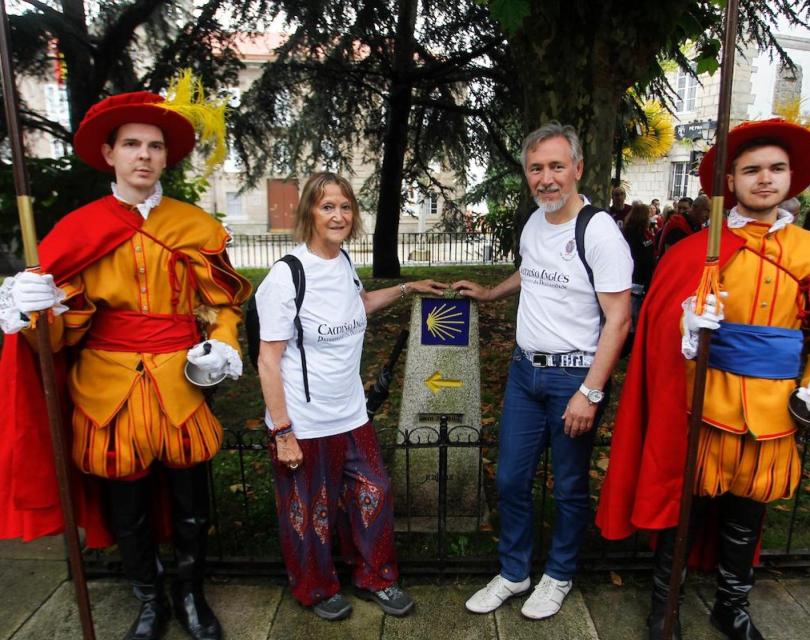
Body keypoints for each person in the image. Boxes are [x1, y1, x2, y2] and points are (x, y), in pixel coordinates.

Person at [0, 88, 252, 640]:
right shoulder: (76, 231)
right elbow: (62, 331)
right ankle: (149, 599)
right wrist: (35, 311)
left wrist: (225, 341)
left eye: (155, 146)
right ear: (110, 153)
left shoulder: (196, 227)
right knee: (128, 511)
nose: (145, 155)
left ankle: (190, 597)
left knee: (191, 506)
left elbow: (219, 304)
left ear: (167, 157)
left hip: (179, 386)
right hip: (106, 391)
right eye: (132, 144)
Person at [596, 118, 810, 640]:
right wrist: (685, 327)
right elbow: (662, 330)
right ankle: (663, 608)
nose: (764, 179)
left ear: (791, 178)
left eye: (776, 169)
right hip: (702, 405)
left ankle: (731, 607)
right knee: (683, 509)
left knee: (744, 517)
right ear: (730, 181)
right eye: (751, 170)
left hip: (773, 411)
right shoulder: (698, 251)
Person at [453, 123, 632, 620]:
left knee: (569, 485)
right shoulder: (535, 221)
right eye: (536, 169)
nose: (546, 179)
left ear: (577, 168)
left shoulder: (597, 230)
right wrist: (491, 294)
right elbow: (529, 270)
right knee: (511, 480)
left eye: (556, 166)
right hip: (524, 373)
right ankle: (514, 573)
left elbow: (619, 319)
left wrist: (590, 393)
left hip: (574, 378)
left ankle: (558, 574)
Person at [255, 172, 446, 621]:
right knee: (310, 512)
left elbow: (356, 305)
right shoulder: (287, 276)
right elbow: (268, 360)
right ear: (309, 213)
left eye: (344, 206)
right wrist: (283, 431)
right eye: (327, 207)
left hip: (351, 414)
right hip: (303, 419)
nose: (338, 215)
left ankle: (376, 576)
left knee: (373, 493)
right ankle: (316, 588)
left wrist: (407, 288)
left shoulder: (342, 263)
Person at [622, 202, 655, 331]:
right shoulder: (630, 235)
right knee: (631, 322)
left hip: (640, 283)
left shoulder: (645, 234)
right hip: (634, 283)